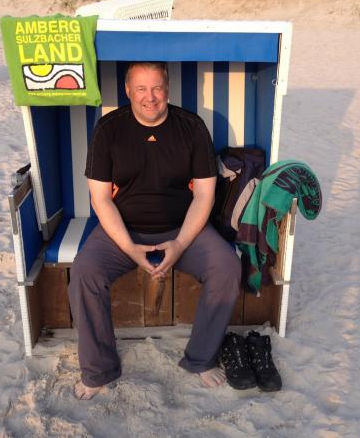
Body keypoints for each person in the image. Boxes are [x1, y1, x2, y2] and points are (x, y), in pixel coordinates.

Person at [69, 62, 242, 400]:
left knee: (226, 267)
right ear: (128, 91)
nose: (150, 97)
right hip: (123, 231)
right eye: (141, 89)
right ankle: (99, 369)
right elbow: (100, 199)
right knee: (85, 272)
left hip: (183, 228)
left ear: (167, 89)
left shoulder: (191, 127)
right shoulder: (109, 128)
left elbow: (204, 195)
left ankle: (201, 358)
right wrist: (130, 248)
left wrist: (180, 243)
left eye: (157, 88)